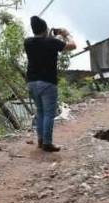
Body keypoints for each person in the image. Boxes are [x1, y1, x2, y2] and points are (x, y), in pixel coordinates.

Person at [24, 16, 76, 152]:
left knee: (40, 112)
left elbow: (39, 41)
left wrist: (49, 35)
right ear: (45, 29)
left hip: (31, 82)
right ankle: (47, 143)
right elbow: (73, 46)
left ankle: (41, 140)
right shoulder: (51, 42)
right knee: (48, 113)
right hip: (47, 82)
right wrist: (66, 34)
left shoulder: (27, 42)